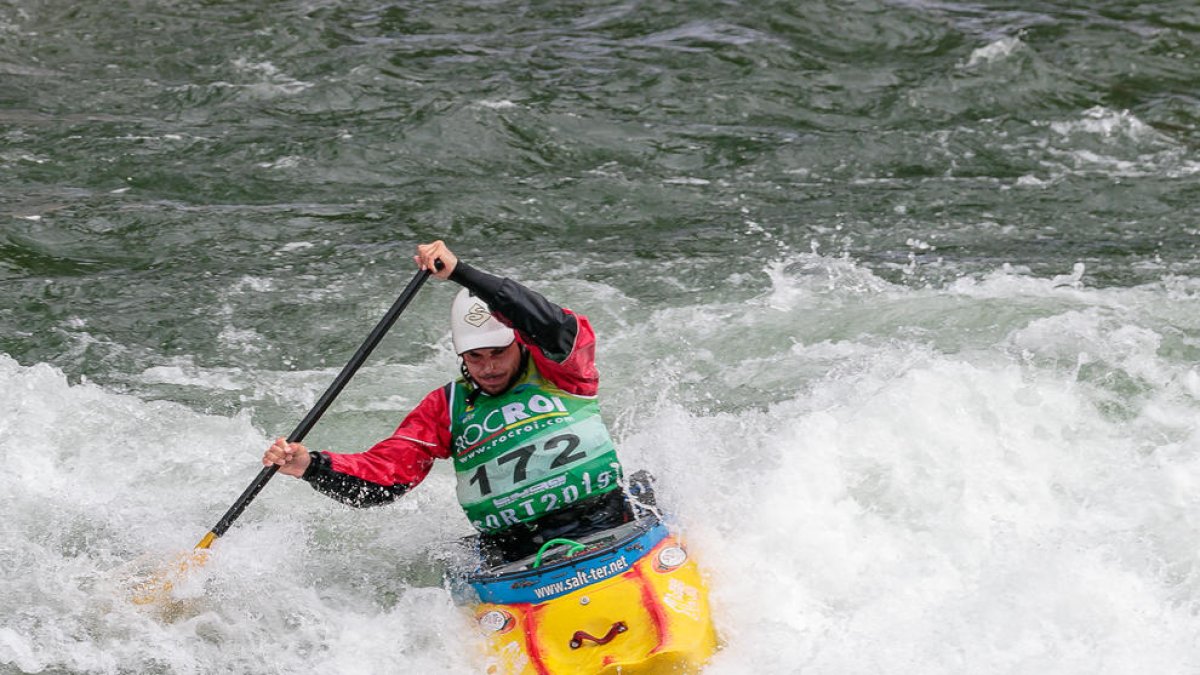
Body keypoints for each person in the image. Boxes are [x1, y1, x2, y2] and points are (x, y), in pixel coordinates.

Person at [262, 240, 645, 564]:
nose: (489, 368)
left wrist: (461, 273)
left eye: (498, 353)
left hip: (607, 524)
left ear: (518, 343)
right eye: (475, 358)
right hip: (513, 553)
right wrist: (310, 465)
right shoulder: (444, 407)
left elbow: (550, 321)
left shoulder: (562, 369)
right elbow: (385, 477)